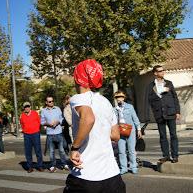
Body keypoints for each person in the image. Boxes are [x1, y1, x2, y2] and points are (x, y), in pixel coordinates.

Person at [64, 59, 126, 193]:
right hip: (113, 177)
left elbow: (88, 119)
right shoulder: (106, 102)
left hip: (86, 176)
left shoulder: (78, 98)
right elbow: (115, 135)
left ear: (78, 78)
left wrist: (75, 148)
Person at [145, 65, 180, 163]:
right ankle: (166, 155)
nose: (163, 72)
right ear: (155, 73)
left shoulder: (169, 83)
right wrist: (148, 115)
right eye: (160, 71)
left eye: (163, 70)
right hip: (159, 114)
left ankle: (175, 155)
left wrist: (177, 111)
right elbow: (148, 101)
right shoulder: (150, 86)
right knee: (162, 136)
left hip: (170, 112)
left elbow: (175, 97)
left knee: (173, 135)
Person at [114, 90, 142, 174]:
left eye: (121, 97)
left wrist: (139, 129)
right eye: (117, 97)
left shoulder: (130, 107)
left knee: (131, 150)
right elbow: (113, 122)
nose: (119, 99)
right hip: (120, 131)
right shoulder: (115, 109)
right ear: (115, 99)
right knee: (121, 151)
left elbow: (135, 118)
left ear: (124, 98)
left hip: (130, 130)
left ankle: (133, 166)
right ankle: (124, 168)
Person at [40, 96, 69, 173]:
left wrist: (57, 122)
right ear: (46, 102)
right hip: (50, 134)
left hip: (58, 133)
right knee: (51, 152)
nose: (51, 102)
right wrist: (48, 124)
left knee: (62, 150)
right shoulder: (43, 111)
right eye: (49, 101)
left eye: (52, 101)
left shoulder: (57, 109)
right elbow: (42, 122)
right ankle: (53, 165)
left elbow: (62, 118)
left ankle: (64, 164)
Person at [20, 101, 44, 173]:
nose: (27, 108)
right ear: (24, 108)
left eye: (28, 106)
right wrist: (25, 131)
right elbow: (22, 124)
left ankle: (40, 166)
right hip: (27, 135)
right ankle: (30, 167)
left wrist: (37, 130)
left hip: (35, 134)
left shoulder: (35, 113)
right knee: (28, 152)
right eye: (25, 107)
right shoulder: (22, 115)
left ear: (30, 107)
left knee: (38, 151)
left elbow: (39, 122)